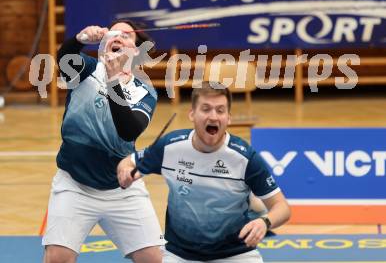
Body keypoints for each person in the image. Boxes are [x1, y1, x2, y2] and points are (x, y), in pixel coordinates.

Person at [117, 81, 291, 262]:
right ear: (192, 114)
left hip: (237, 253)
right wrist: (126, 171)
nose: (213, 116)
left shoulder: (245, 158)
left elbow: (282, 208)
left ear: (228, 118)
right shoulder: (170, 147)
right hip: (180, 254)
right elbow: (128, 162)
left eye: (220, 110)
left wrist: (265, 222)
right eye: (206, 109)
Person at [42, 21, 164, 263]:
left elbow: (128, 131)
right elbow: (64, 56)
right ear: (105, 42)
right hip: (75, 184)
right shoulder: (86, 70)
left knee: (153, 259)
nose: (118, 37)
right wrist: (78, 40)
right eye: (114, 33)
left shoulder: (144, 91)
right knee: (57, 258)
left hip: (122, 189)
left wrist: (112, 81)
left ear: (137, 51)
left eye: (127, 36)